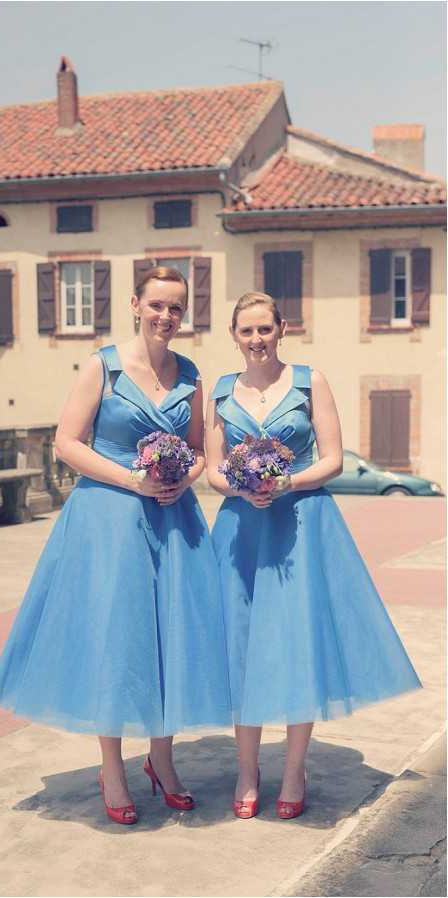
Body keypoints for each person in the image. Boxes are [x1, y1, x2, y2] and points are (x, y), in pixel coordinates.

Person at [0, 267, 231, 825]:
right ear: (135, 305)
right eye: (157, 305)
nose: (166, 316)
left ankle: (162, 763)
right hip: (109, 519)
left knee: (173, 638)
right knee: (117, 640)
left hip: (173, 519)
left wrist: (182, 478)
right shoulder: (103, 365)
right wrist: (134, 481)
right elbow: (67, 444)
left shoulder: (190, 374)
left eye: (176, 308)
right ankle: (113, 769)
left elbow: (196, 449)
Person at [205, 291, 421, 821]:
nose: (256, 340)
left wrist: (286, 482)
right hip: (241, 530)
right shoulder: (219, 392)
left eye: (265, 329)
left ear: (282, 329)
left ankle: (295, 767)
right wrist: (240, 489)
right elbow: (213, 469)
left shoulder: (309, 382)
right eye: (246, 331)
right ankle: (248, 769)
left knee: (298, 643)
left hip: (302, 524)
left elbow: (332, 458)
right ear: (234, 336)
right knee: (242, 646)